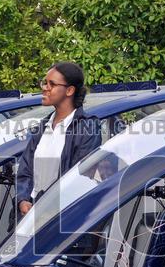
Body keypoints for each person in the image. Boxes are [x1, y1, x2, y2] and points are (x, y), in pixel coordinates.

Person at [16, 61, 101, 216]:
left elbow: (79, 177)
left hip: (61, 215)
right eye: (44, 83)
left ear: (69, 90)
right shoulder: (43, 127)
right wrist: (22, 200)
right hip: (30, 214)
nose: (44, 88)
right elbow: (25, 170)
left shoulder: (87, 127)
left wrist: (46, 206)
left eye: (51, 84)